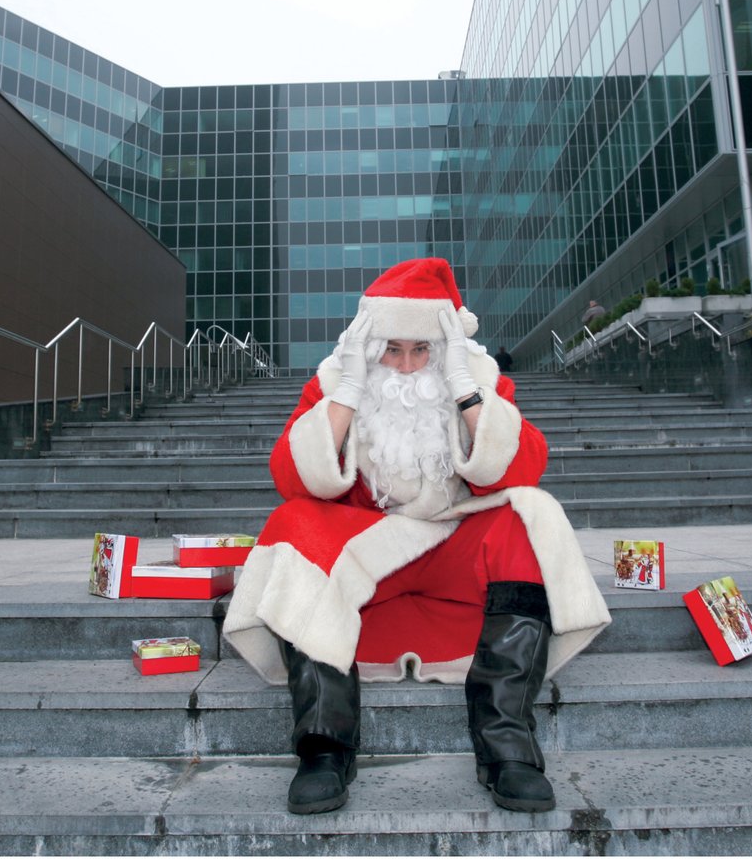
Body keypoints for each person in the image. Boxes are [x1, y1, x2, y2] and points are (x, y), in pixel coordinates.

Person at [223, 258, 610, 816]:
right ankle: (326, 749)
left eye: (420, 350)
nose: (405, 367)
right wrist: (349, 392)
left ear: (443, 347)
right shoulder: (337, 384)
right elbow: (291, 477)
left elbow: (524, 468)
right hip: (368, 556)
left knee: (531, 514)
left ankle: (507, 746)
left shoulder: (477, 381)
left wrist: (466, 392)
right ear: (372, 345)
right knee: (293, 522)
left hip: (450, 547)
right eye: (392, 350)